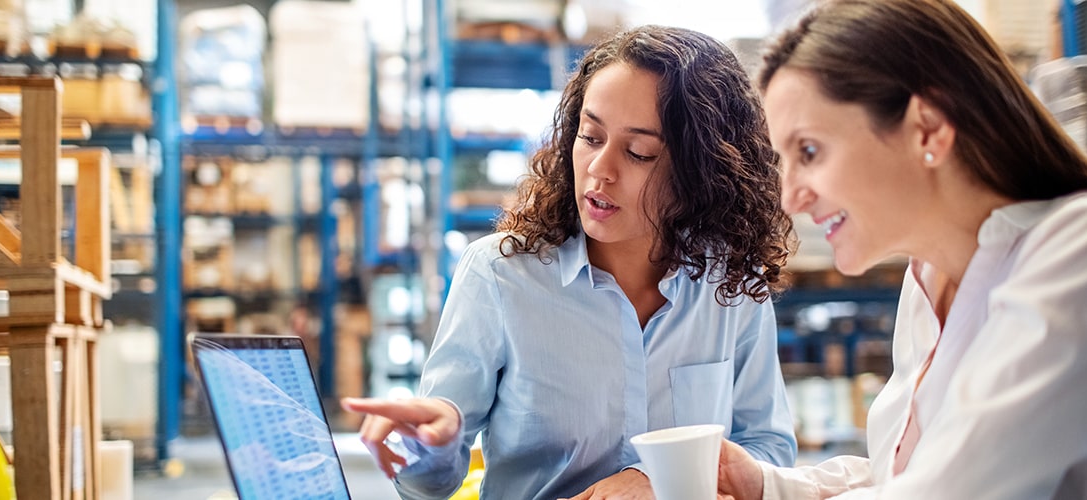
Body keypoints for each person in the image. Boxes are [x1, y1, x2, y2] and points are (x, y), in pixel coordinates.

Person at [342, 24, 797, 500]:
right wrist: (433, 445)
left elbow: (767, 448)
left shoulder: (731, 287)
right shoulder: (500, 275)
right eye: (590, 136)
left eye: (639, 152)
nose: (600, 169)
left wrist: (654, 479)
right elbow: (428, 487)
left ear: (701, 170)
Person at [714, 0, 1087, 498]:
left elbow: (951, 489)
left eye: (809, 151)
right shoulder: (927, 279)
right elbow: (913, 473)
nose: (791, 197)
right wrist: (764, 484)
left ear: (928, 127)